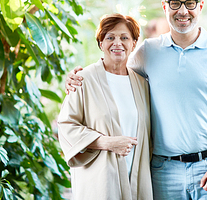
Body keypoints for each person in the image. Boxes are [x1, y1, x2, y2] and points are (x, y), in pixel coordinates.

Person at [66, 0, 207, 200]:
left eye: (190, 3)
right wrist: (79, 77)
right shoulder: (148, 51)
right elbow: (117, 72)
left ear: (200, 6)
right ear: (164, 7)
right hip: (163, 171)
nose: (182, 11)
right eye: (174, 3)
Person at [58, 14, 153, 200]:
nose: (117, 43)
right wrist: (106, 142)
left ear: (134, 44)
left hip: (136, 179)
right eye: (110, 37)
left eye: (124, 37)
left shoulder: (142, 84)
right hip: (100, 182)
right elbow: (66, 126)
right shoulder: (83, 79)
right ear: (101, 43)